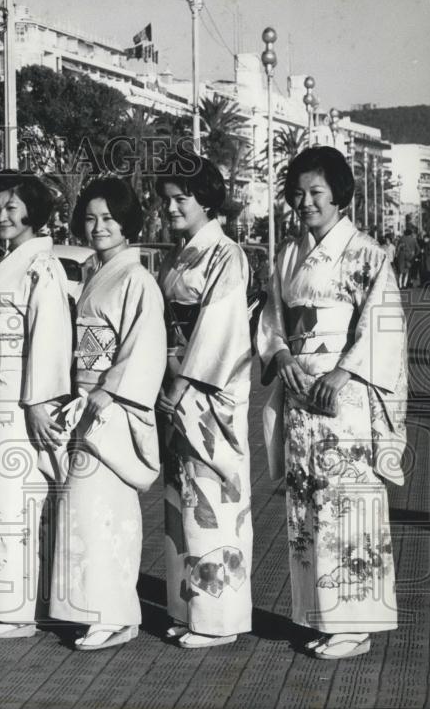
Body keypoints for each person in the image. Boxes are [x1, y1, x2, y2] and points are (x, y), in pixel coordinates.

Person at [258, 146, 407, 660]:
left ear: (339, 195)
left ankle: (356, 623)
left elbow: (382, 323)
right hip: (301, 391)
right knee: (310, 509)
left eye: (315, 192)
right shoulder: (289, 254)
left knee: (348, 504)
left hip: (343, 398)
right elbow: (273, 320)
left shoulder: (366, 252)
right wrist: (280, 356)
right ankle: (324, 616)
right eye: (297, 194)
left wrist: (344, 371)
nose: (305, 203)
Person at [49, 178, 166, 651]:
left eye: (109, 218)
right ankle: (97, 610)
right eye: (92, 218)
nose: (98, 227)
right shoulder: (100, 271)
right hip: (86, 399)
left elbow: (145, 344)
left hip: (109, 405)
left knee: (107, 510)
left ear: (127, 223)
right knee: (85, 511)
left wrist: (111, 389)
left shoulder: (136, 277)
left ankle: (115, 614)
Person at [155, 153, 253, 649]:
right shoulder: (177, 256)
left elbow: (221, 329)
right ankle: (189, 606)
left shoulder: (226, 254)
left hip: (207, 392)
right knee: (181, 500)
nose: (171, 208)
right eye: (166, 200)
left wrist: (178, 385)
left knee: (213, 499)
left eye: (181, 199)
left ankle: (219, 618)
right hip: (176, 382)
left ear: (206, 200)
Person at [0, 170, 72, 639]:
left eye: (12, 208)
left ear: (32, 212)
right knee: (0, 496)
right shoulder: (7, 261)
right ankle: (10, 605)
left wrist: (38, 402)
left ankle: (13, 613)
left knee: (13, 500)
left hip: (21, 396)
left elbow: (48, 337)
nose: (1, 216)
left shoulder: (41, 265)